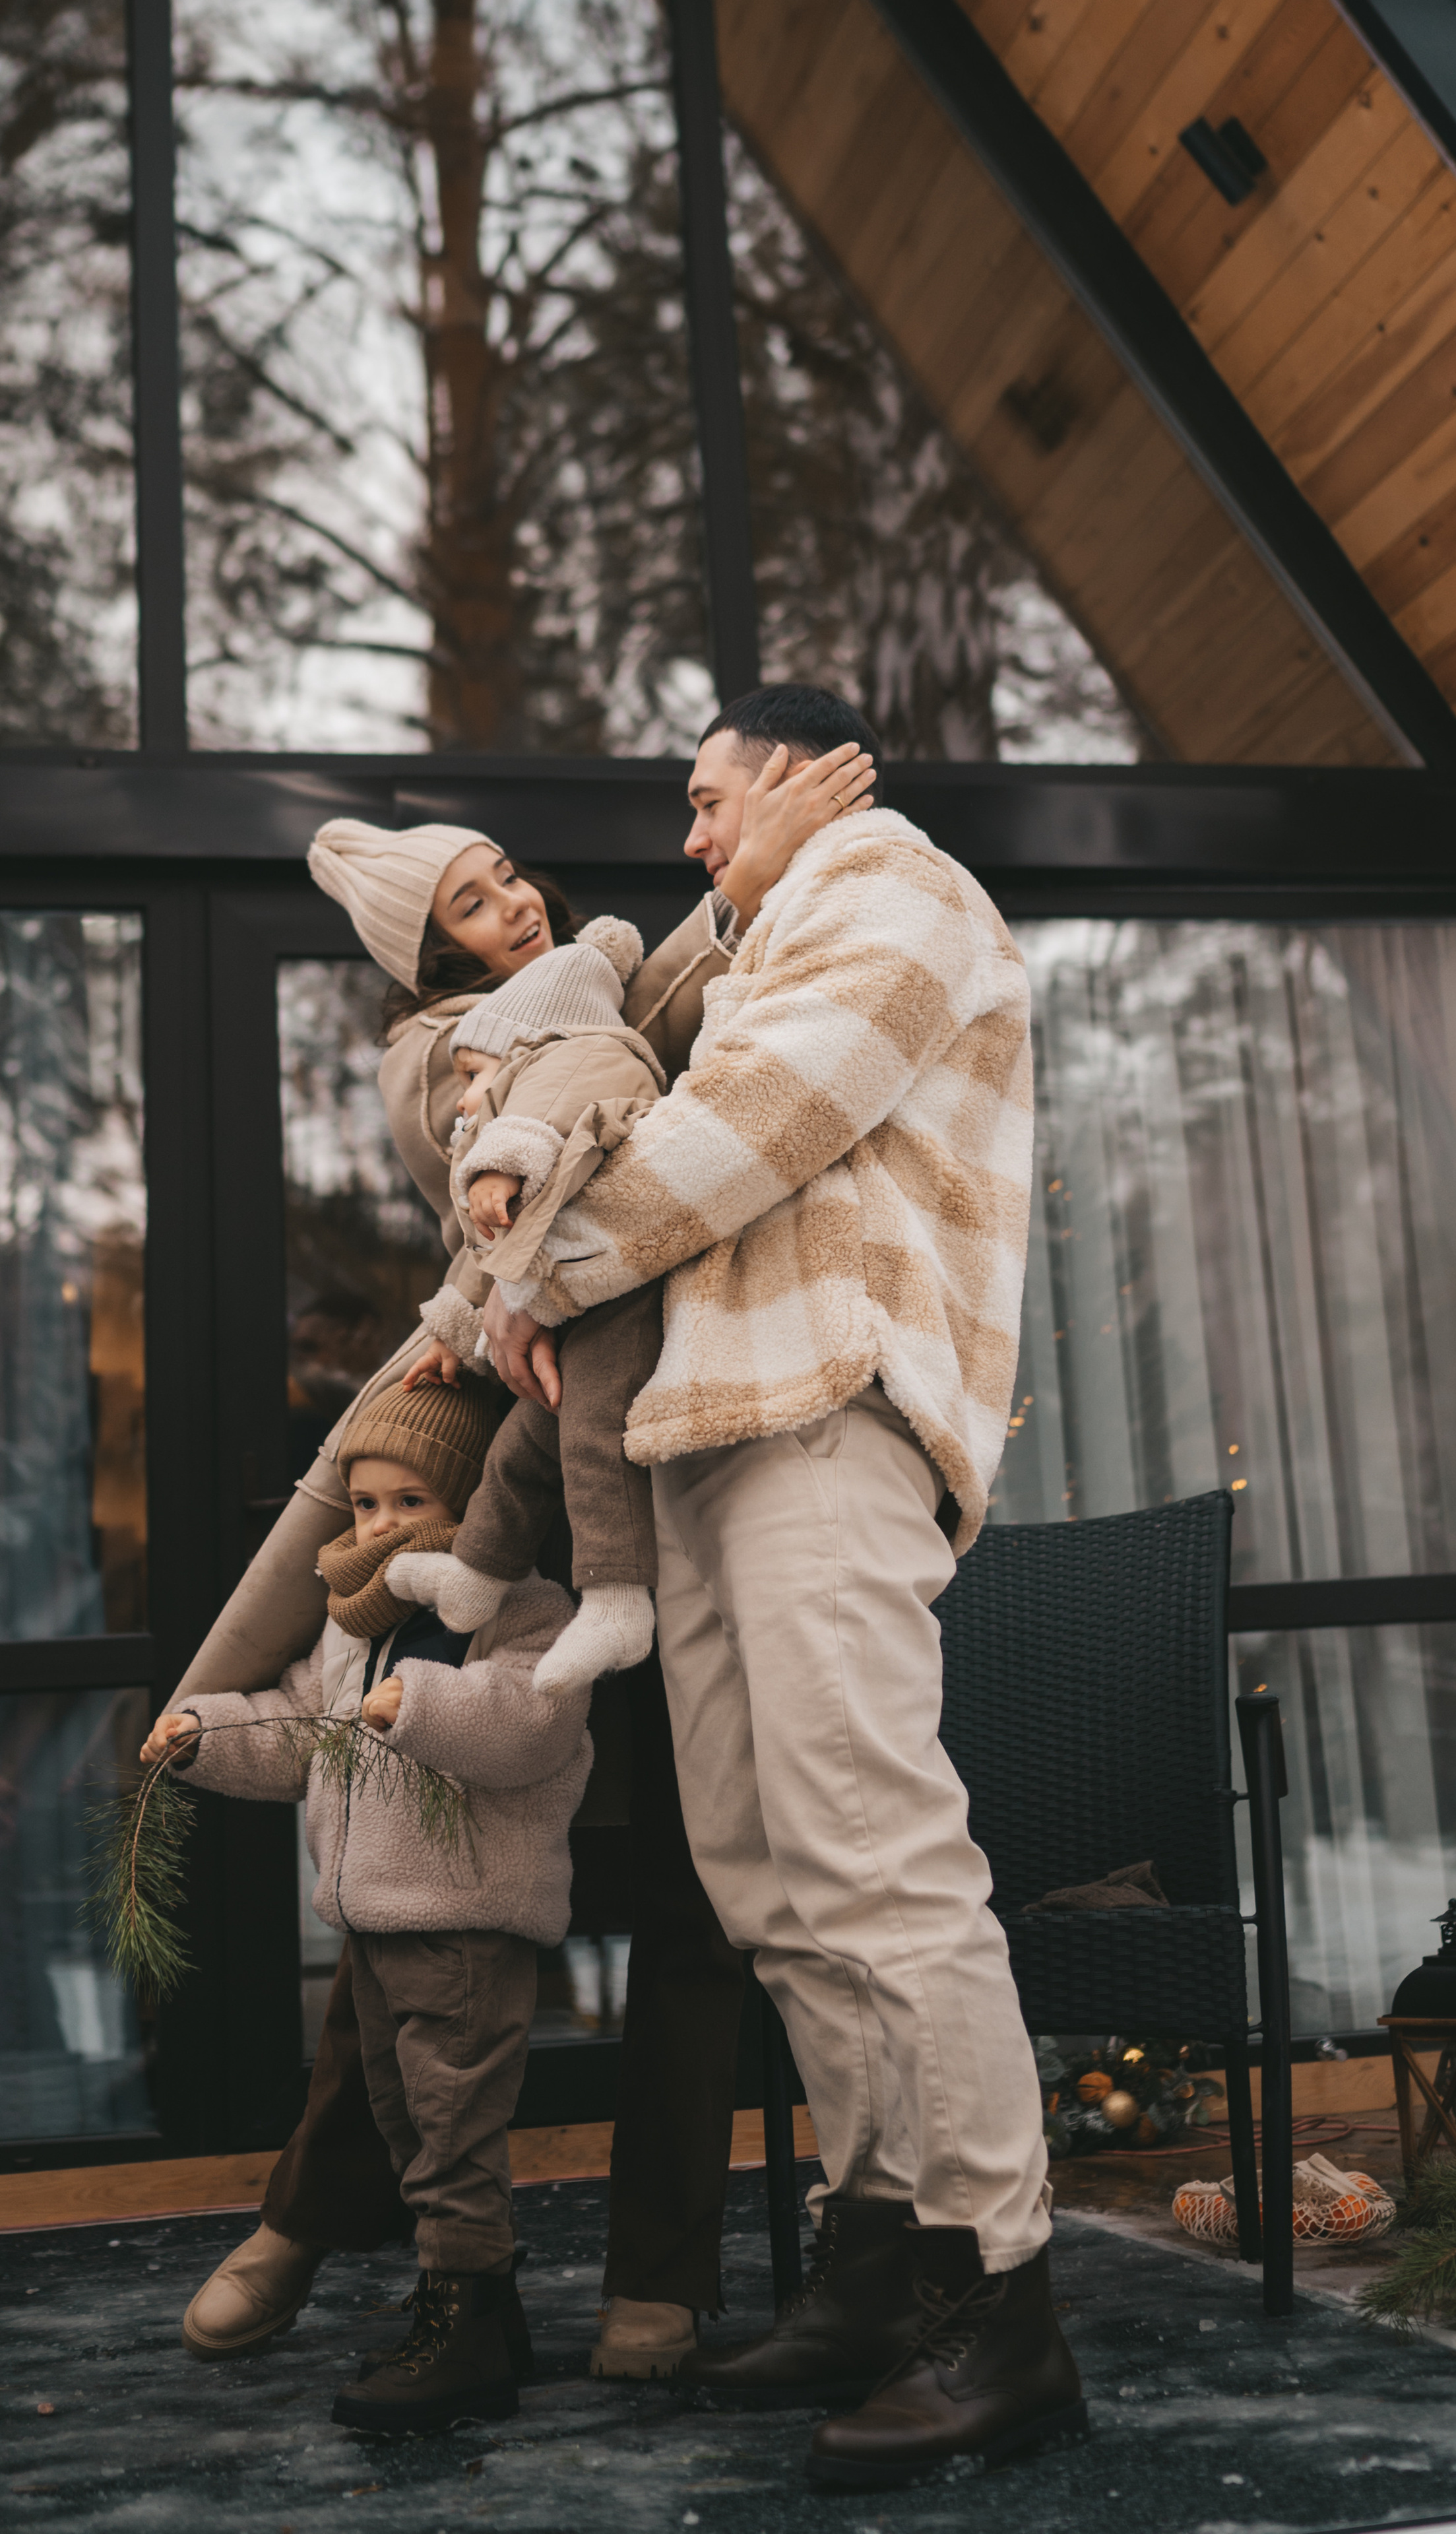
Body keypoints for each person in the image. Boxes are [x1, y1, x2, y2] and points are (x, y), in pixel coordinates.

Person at [166, 760, 872, 2382]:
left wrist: (770, 861)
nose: (518, 901)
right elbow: (554, 1066)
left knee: (697, 1901)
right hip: (500, 1528)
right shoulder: (439, 1053)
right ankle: (309, 2211)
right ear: (425, 959)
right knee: (413, 1907)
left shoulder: (602, 997)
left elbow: (665, 996)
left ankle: (662, 2275)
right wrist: (522, 1290)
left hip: (660, 1491)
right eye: (471, 898)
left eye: (508, 873)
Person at [481, 684, 1085, 2488]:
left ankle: (1005, 2305)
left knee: (875, 1857)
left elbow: (753, 1114)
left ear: (808, 781)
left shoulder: (898, 892)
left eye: (706, 799)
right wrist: (743, 876)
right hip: (714, 1439)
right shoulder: (768, 923)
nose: (686, 836)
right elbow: (630, 1010)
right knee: (771, 1879)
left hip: (829, 1412)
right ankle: (877, 2255)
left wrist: (533, 1273)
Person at [142, 1380, 589, 2435]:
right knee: (401, 2119)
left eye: (412, 1504)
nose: (382, 1527)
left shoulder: (523, 1610)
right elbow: (303, 1727)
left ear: (479, 1507)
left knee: (452, 2128)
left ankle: (465, 2322)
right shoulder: (358, 1627)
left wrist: (424, 1704)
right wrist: (206, 1731)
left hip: (466, 1922)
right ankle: (485, 2303)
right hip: (379, 1925)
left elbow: (536, 1725)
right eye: (366, 1506)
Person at [388, 911, 668, 1696]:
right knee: (520, 1455)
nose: (468, 1097)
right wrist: (451, 1328)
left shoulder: (588, 1054)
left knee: (591, 1441)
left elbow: (552, 1110)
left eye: (477, 1071)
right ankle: (477, 1572)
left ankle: (617, 1599)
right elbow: (493, 1256)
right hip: (577, 1310)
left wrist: (500, 1163)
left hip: (622, 1307)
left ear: (531, 1044)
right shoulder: (536, 1084)